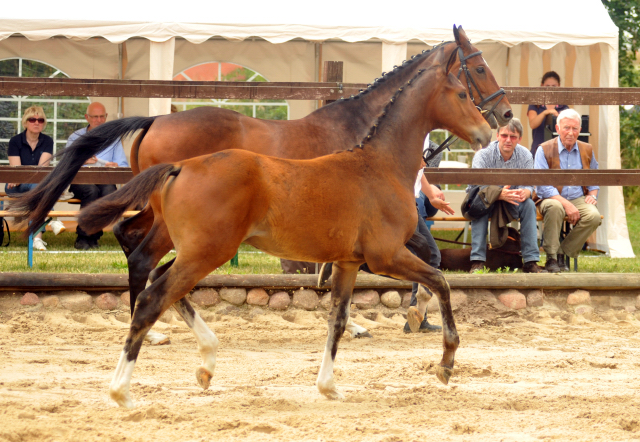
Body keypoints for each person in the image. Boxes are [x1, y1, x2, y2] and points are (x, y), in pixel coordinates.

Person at [467, 118, 546, 274]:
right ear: (497, 136)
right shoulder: (482, 155)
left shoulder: (525, 155)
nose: (508, 140)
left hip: (513, 200)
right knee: (480, 208)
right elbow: (477, 186)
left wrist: (527, 191)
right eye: (504, 135)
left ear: (519, 139)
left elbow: (529, 183)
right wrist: (498, 194)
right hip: (486, 199)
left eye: (513, 136)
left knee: (529, 205)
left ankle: (530, 261)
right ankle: (477, 261)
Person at [534, 109, 601, 273]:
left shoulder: (587, 149)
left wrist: (592, 195)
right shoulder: (543, 149)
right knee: (555, 207)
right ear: (557, 129)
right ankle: (551, 257)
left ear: (580, 130)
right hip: (550, 197)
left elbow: (594, 178)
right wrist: (566, 204)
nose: (571, 133)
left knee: (593, 216)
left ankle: (562, 253)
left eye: (575, 128)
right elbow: (543, 186)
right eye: (566, 128)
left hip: (578, 197)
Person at [67, 102, 129, 250]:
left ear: (106, 117)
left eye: (102, 117)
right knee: (91, 191)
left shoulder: (114, 138)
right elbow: (65, 165)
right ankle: (83, 237)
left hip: (104, 179)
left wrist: (115, 166)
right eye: (95, 117)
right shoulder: (76, 137)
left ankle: (93, 235)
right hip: (80, 180)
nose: (99, 120)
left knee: (109, 191)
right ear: (87, 117)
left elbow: (123, 166)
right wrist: (82, 161)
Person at [6, 106, 65, 250]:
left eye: (40, 120)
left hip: (36, 186)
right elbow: (17, 174)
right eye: (32, 119)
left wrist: (28, 176)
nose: (36, 122)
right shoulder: (15, 141)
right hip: (16, 187)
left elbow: (42, 170)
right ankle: (53, 218)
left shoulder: (47, 141)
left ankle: (37, 239)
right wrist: (23, 176)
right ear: (25, 122)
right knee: (40, 189)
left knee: (37, 190)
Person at [527, 71, 570, 159]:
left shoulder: (564, 107)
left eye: (554, 86)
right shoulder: (535, 105)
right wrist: (546, 112)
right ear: (542, 86)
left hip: (559, 152)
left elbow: (567, 128)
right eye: (547, 86)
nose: (551, 89)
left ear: (559, 86)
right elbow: (533, 124)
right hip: (538, 150)